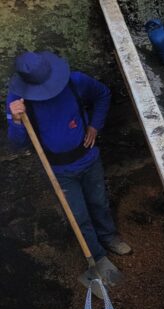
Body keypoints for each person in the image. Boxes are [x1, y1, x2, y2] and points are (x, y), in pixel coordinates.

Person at [6, 51, 132, 266]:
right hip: (59, 171)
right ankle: (97, 257)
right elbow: (17, 143)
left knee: (99, 202)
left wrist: (95, 125)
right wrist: (16, 121)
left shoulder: (76, 81)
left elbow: (103, 94)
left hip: (88, 158)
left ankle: (109, 237)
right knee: (78, 215)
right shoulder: (18, 102)